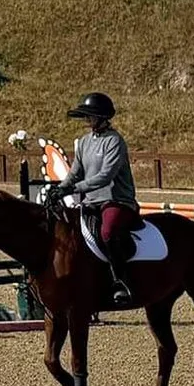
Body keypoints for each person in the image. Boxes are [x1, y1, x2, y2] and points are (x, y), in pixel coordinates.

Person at [56, 91, 139, 271]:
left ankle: (120, 279)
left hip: (116, 201)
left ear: (101, 117)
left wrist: (73, 189)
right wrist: (60, 188)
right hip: (90, 202)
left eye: (90, 116)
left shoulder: (114, 141)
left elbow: (105, 176)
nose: (87, 119)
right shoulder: (85, 142)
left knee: (107, 232)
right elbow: (75, 172)